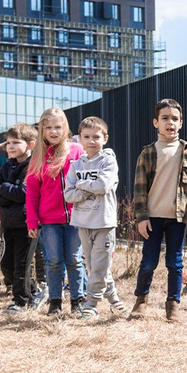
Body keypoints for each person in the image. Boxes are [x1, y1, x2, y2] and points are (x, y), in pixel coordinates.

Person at [128, 98, 187, 321]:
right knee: (148, 262)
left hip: (177, 218)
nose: (170, 123)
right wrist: (141, 217)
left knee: (175, 263)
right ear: (156, 122)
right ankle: (140, 301)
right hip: (152, 217)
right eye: (165, 118)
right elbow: (139, 189)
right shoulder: (148, 153)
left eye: (174, 119)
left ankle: (173, 304)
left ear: (181, 123)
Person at [26, 107, 84, 314]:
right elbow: (32, 192)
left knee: (75, 260)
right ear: (41, 130)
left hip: (76, 218)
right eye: (48, 127)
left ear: (65, 128)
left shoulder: (77, 150)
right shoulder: (38, 156)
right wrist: (32, 222)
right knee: (53, 262)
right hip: (49, 221)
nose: (53, 131)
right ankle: (55, 302)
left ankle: (78, 301)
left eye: (58, 127)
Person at [65, 116, 122, 321]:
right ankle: (114, 298)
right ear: (79, 138)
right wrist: (86, 190)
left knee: (99, 264)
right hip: (82, 222)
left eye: (96, 137)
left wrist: (81, 186)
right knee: (93, 265)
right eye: (86, 137)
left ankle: (91, 303)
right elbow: (68, 195)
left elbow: (103, 186)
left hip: (104, 222)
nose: (91, 141)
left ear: (105, 138)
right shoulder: (75, 165)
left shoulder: (108, 160)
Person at [0, 126, 38, 312]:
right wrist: (8, 191)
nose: (10, 147)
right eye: (8, 143)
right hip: (7, 224)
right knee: (7, 265)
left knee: (21, 265)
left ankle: (21, 302)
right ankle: (33, 291)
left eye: (16, 142)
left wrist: (5, 189)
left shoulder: (33, 166)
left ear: (30, 145)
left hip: (26, 224)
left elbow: (26, 192)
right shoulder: (6, 166)